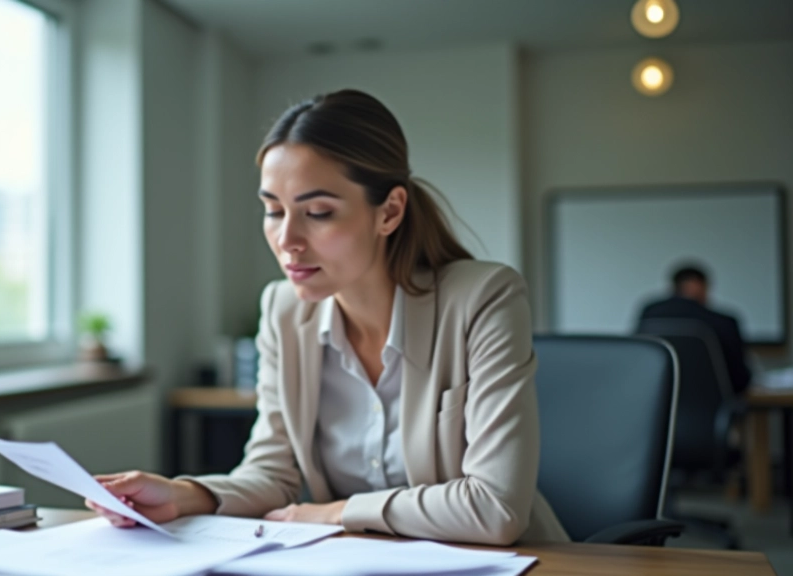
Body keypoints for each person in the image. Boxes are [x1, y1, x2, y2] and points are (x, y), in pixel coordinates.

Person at [85, 89, 568, 545]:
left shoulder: (484, 298)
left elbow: (495, 507)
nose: (287, 240)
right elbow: (272, 475)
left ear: (389, 212)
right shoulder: (283, 311)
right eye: (273, 211)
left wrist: (336, 511)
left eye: (317, 212)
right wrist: (186, 495)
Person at [638, 264, 752, 395]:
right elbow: (740, 381)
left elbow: (640, 365)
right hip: (711, 407)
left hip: (658, 406)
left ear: (674, 288)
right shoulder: (724, 323)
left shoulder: (649, 315)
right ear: (703, 287)